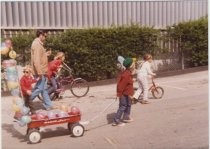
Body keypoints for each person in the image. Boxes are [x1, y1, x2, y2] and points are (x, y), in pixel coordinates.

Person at [30, 30, 54, 110]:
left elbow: (40, 57)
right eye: (45, 36)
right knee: (39, 88)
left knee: (43, 89)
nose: (45, 38)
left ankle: (48, 105)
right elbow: (36, 60)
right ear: (41, 35)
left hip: (42, 70)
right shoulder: (36, 44)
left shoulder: (38, 44)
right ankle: (25, 104)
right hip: (40, 71)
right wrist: (40, 73)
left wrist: (46, 54)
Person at [112, 57, 135, 127]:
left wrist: (132, 80)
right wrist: (118, 94)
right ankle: (116, 120)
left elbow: (127, 83)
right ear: (131, 66)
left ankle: (126, 116)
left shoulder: (128, 73)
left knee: (128, 104)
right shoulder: (126, 74)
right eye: (134, 64)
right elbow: (121, 85)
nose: (135, 65)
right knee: (123, 106)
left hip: (127, 93)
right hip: (123, 94)